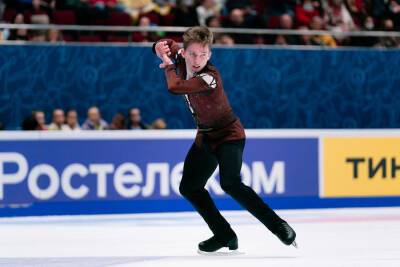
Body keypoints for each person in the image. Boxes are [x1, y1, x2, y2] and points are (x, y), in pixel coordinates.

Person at [153, 26, 297, 254]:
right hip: (206, 136)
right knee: (189, 187)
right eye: (192, 54)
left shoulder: (210, 77)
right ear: (185, 51)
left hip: (229, 134)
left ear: (209, 54)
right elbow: (166, 44)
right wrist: (158, 47)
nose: (197, 59)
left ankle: (279, 226)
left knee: (230, 183)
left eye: (203, 54)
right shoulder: (182, 56)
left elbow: (174, 86)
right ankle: (224, 234)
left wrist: (166, 62)